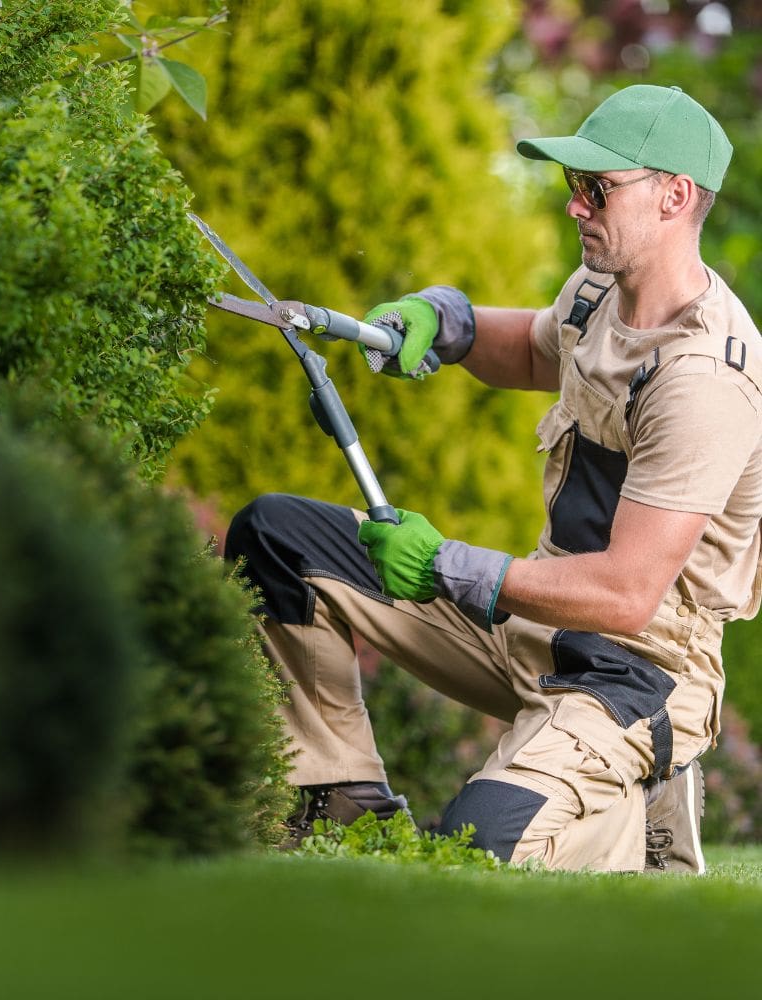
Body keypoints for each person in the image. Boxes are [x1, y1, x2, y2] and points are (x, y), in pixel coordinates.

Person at [225, 84, 762, 872]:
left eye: (598, 189)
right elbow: (537, 351)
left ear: (675, 197)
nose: (576, 207)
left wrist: (446, 563)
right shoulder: (599, 294)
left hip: (636, 674)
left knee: (472, 854)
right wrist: (448, 322)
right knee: (276, 539)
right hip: (535, 629)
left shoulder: (703, 380)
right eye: (573, 185)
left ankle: (637, 801)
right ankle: (340, 803)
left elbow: (626, 593)